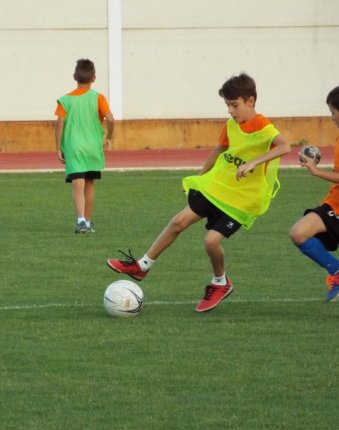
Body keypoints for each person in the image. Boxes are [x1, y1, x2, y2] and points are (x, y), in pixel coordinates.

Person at [107, 73, 291, 312]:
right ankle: (142, 266)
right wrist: (202, 178)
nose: (231, 111)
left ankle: (220, 282)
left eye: (235, 105)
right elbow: (219, 149)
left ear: (251, 101)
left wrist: (255, 162)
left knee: (211, 241)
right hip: (219, 186)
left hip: (243, 199)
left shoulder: (263, 125)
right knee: (178, 221)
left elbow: (285, 146)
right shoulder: (231, 124)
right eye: (227, 106)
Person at [289, 86, 339, 302]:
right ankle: (336, 271)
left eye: (333, 112)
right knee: (299, 232)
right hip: (334, 204)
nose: (331, 118)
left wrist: (316, 171)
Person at [54, 58, 115, 233]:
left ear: (75, 76)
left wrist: (58, 147)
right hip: (93, 147)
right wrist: (109, 137)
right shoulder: (98, 98)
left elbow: (59, 124)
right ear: (94, 78)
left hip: (73, 147)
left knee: (77, 183)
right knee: (89, 183)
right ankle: (87, 222)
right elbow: (110, 118)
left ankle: (80, 220)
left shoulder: (65, 100)